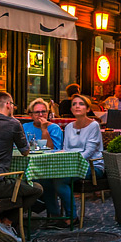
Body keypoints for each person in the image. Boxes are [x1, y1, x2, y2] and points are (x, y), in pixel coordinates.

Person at [0, 92, 43, 242]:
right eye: (13, 104)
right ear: (8, 104)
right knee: (37, 189)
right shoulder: (12, 123)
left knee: (0, 189)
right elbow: (25, 151)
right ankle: (6, 224)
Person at [45, 95, 105, 227]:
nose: (77, 106)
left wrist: (71, 162)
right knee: (45, 177)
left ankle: (72, 217)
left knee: (60, 180)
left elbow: (89, 152)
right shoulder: (69, 127)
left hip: (92, 166)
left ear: (88, 108)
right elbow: (65, 149)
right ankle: (55, 216)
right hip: (71, 165)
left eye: (81, 104)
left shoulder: (93, 125)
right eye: (74, 104)